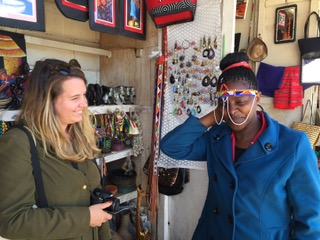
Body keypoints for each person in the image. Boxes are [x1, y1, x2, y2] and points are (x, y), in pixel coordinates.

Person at [160, 52, 320, 239]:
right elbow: (171, 146)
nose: (233, 110)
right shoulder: (217, 138)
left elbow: (312, 220)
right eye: (224, 103)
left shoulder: (292, 145)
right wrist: (214, 116)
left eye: (241, 102)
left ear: (257, 98)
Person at [0, 59, 112, 240]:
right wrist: (85, 218)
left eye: (84, 95)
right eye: (75, 98)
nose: (84, 104)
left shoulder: (80, 136)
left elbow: (97, 205)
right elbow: (12, 222)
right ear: (47, 101)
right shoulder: (19, 142)